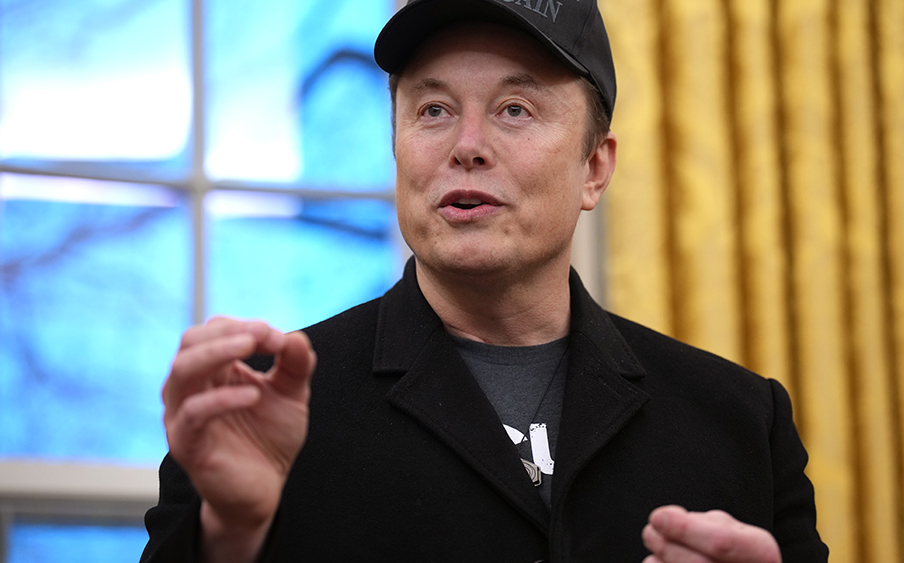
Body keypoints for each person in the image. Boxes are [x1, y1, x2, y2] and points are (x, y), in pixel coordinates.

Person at [141, 0, 828, 561]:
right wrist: (230, 536)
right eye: (433, 110)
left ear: (594, 167)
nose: (466, 145)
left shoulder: (742, 421)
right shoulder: (257, 409)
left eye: (514, 109)